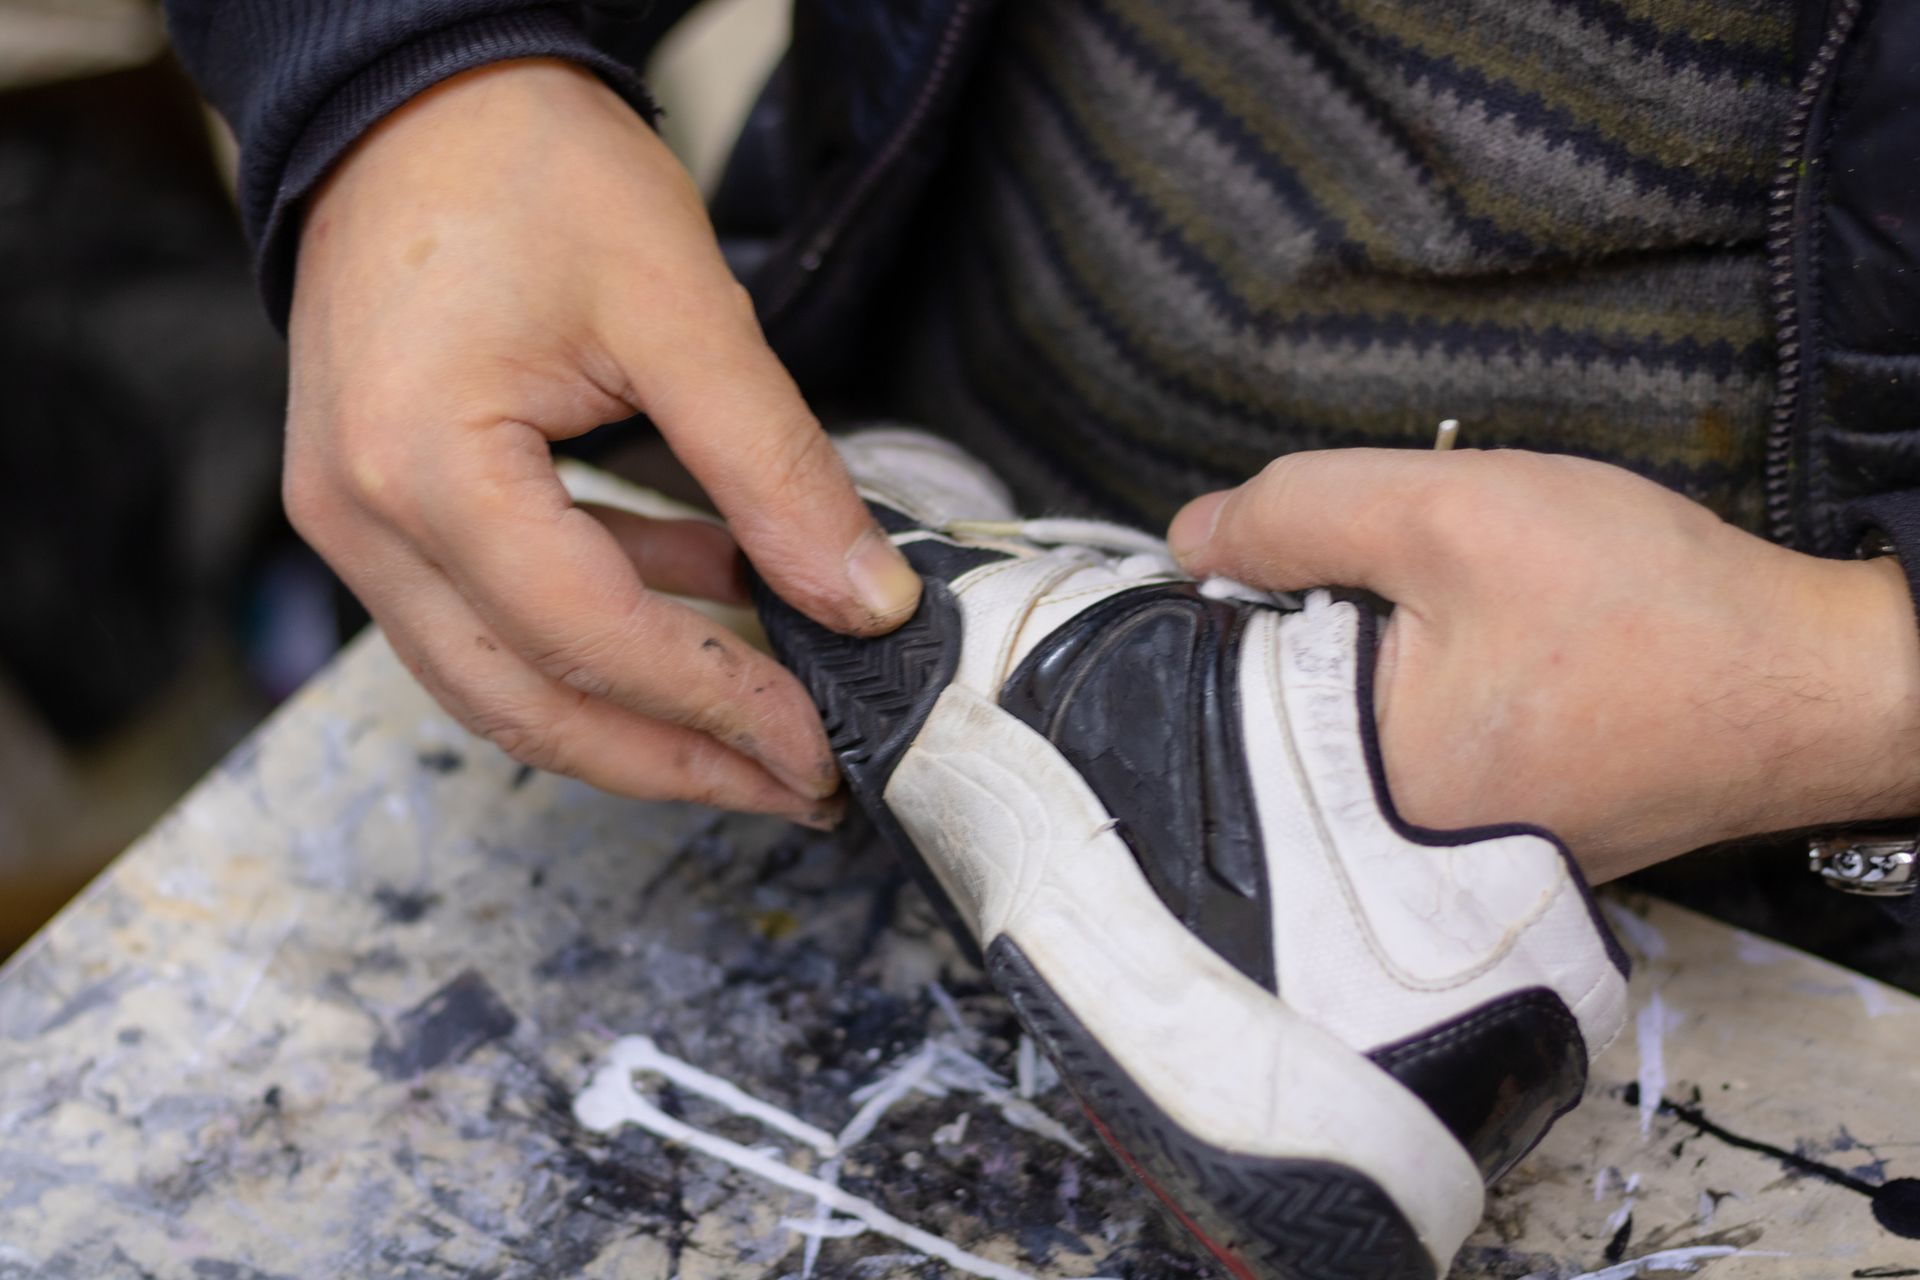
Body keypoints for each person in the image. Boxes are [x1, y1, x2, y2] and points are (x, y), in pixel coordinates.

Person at [160, 1, 1920, 1272]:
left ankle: (1341, 820)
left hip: (1801, 865)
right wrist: (410, 81)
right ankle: (1127, 677)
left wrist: (1854, 681)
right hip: (952, 346)